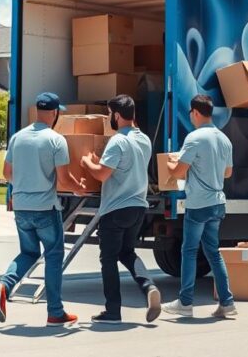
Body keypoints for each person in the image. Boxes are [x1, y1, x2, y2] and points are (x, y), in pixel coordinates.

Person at [0, 92, 82, 328]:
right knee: (53, 255)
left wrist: (24, 185)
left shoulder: (17, 138)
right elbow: (64, 179)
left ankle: (4, 285)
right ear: (55, 113)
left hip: (21, 207)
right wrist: (80, 188)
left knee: (28, 253)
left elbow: (7, 174)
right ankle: (55, 312)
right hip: (45, 208)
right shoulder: (55, 140)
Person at [80, 94, 162, 324]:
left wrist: (87, 162)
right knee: (127, 252)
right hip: (138, 208)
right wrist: (100, 162)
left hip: (116, 208)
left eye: (109, 114)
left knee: (108, 259)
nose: (109, 118)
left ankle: (113, 310)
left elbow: (102, 174)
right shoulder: (144, 139)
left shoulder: (118, 141)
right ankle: (148, 286)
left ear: (116, 115)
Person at [161, 94, 237, 319]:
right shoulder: (224, 139)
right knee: (213, 253)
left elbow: (179, 172)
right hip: (217, 203)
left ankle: (185, 302)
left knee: (189, 251)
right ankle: (227, 303)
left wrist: (170, 163)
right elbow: (228, 173)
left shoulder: (194, 138)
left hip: (199, 204)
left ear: (195, 112)